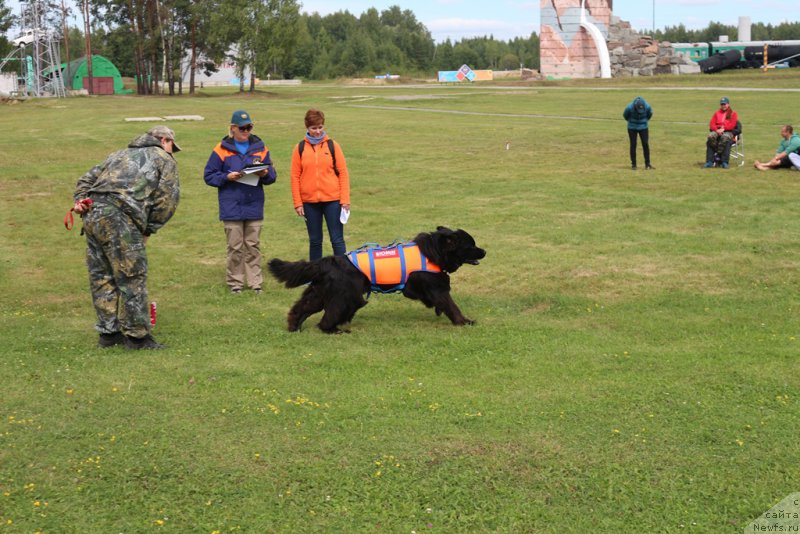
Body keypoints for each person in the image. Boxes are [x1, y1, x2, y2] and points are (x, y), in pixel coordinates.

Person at [72, 126, 181, 350]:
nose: (172, 152)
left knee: (101, 274)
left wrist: (80, 201)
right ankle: (138, 337)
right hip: (120, 219)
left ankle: (108, 333)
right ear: (163, 140)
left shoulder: (118, 154)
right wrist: (149, 229)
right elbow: (167, 200)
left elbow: (85, 180)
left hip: (93, 216)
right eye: (172, 146)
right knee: (132, 276)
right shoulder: (164, 159)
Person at [204, 110, 277, 294]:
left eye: (249, 127)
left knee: (253, 246)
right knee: (235, 247)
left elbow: (272, 176)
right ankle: (235, 283)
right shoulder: (220, 150)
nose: (246, 131)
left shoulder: (261, 148)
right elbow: (209, 176)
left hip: (254, 203)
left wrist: (266, 173)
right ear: (233, 129)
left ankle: (255, 283)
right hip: (231, 205)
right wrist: (227, 177)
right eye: (243, 128)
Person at [290, 108, 351, 260]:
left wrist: (345, 200)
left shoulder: (333, 146)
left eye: (320, 127)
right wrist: (298, 203)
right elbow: (294, 176)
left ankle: (343, 276)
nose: (317, 131)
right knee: (315, 241)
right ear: (307, 128)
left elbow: (343, 173)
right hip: (309, 203)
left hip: (333, 201)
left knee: (337, 240)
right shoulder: (300, 148)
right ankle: (315, 278)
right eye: (313, 128)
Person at [705, 97, 739, 169]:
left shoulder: (733, 113)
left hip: (728, 132)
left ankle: (722, 160)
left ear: (728, 104)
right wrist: (717, 130)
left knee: (725, 138)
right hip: (717, 131)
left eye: (725, 104)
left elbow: (732, 125)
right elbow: (712, 124)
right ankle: (709, 162)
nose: (723, 106)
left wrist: (723, 129)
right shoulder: (717, 113)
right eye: (722, 104)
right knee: (710, 136)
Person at [623, 96, 653, 170]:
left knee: (645, 144)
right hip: (632, 128)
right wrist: (631, 122)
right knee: (633, 145)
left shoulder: (648, 107)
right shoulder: (629, 107)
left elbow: (650, 115)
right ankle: (634, 164)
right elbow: (625, 115)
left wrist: (644, 121)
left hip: (643, 127)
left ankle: (647, 164)